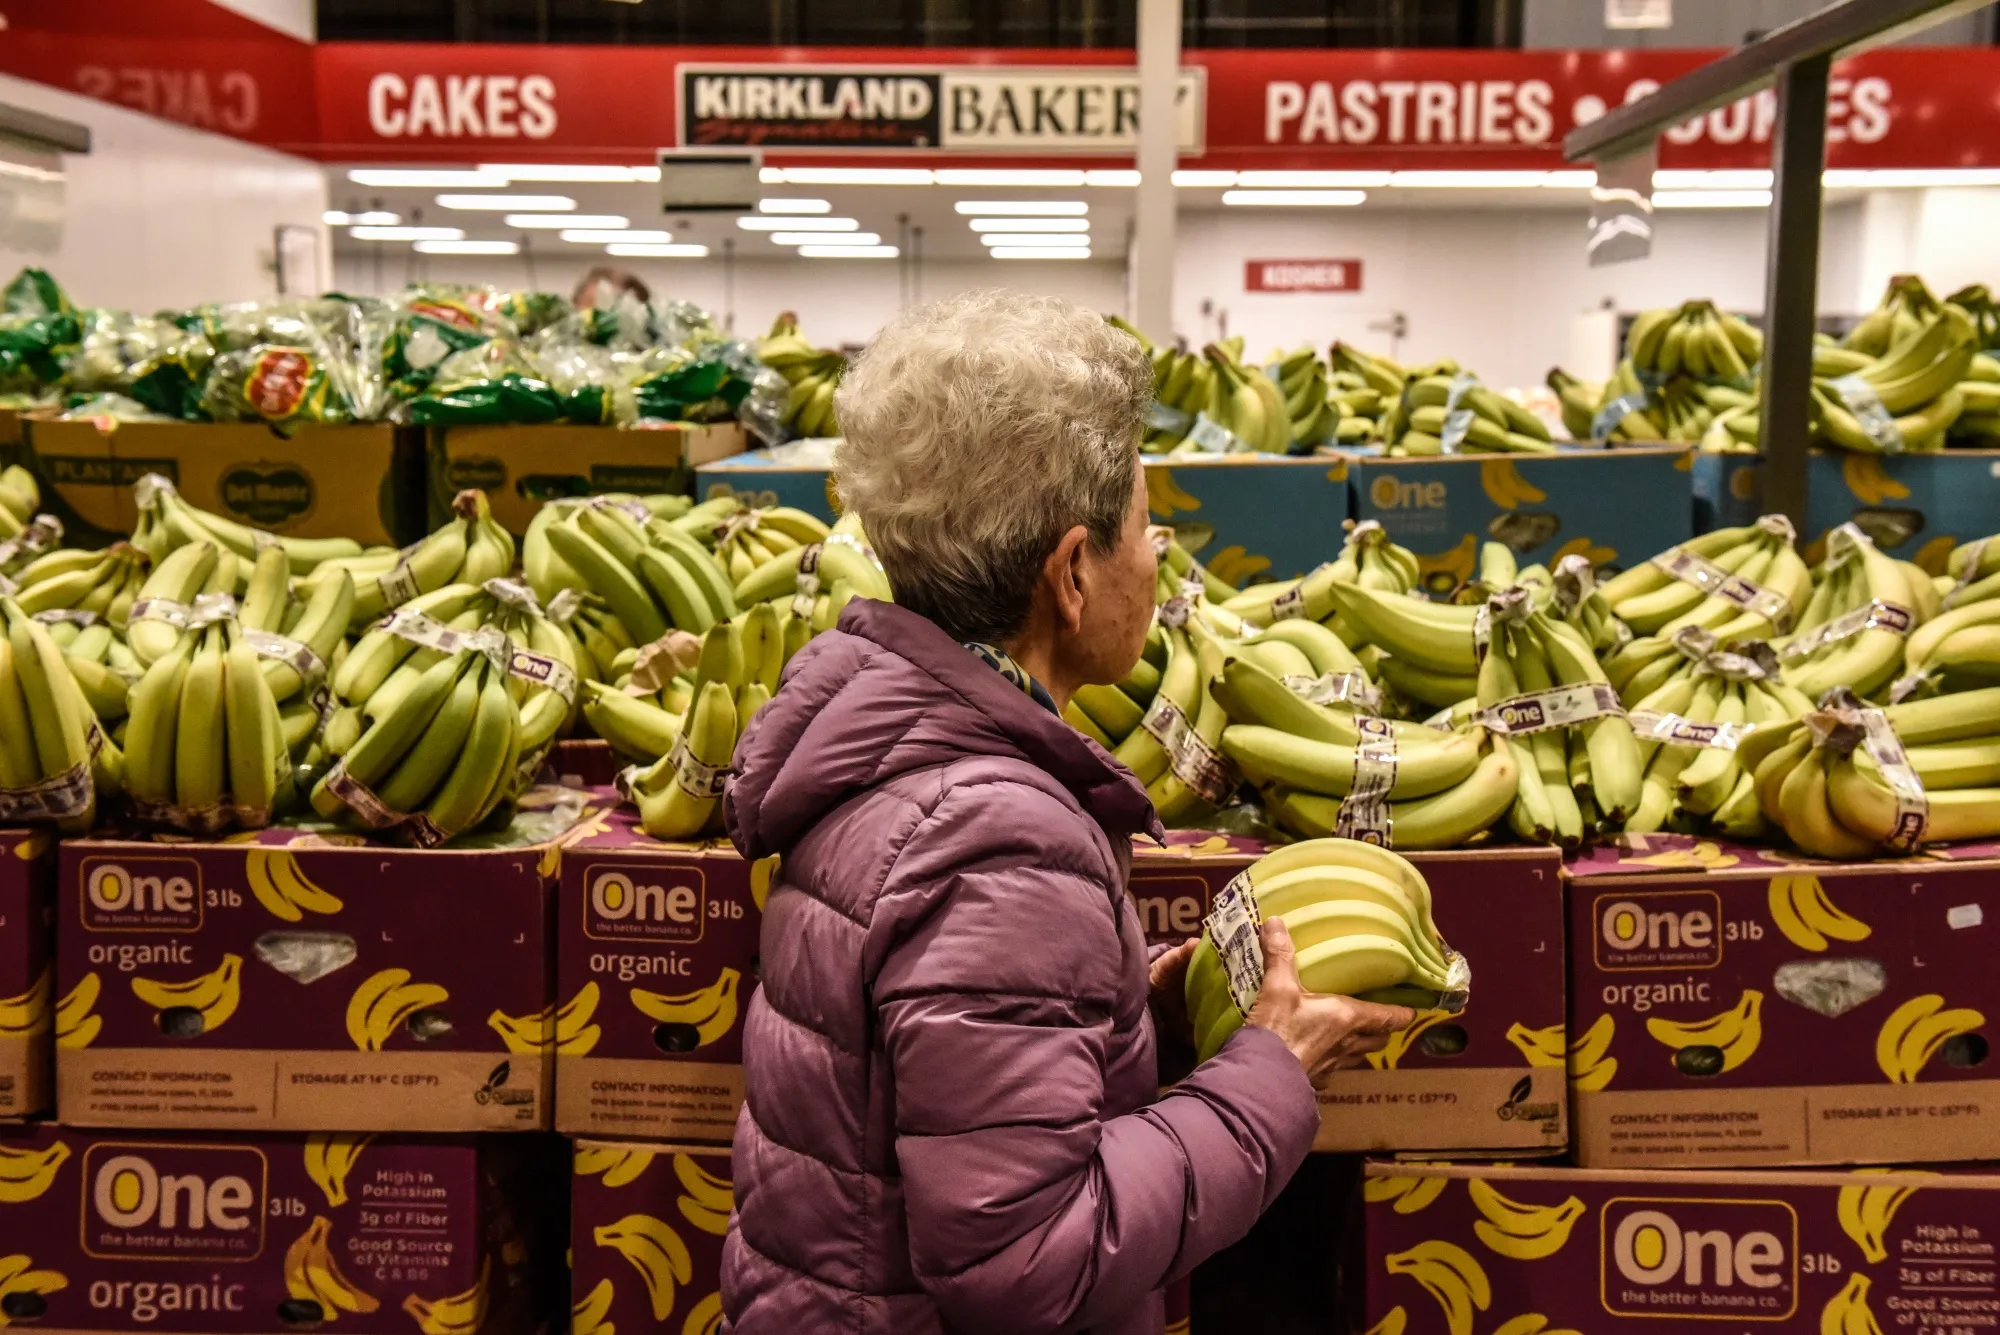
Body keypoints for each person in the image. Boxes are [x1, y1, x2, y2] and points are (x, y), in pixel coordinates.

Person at [721, 290, 1417, 1334]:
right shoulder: (997, 837)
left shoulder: (888, 749)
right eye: (1144, 525)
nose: (1158, 554)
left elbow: (921, 1082)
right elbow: (1026, 1261)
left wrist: (1132, 1025)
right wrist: (1270, 1075)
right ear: (1071, 575)